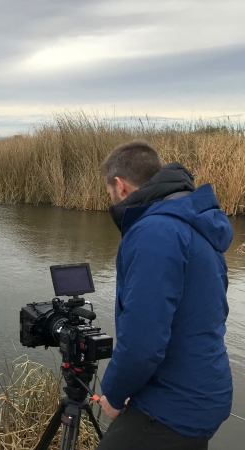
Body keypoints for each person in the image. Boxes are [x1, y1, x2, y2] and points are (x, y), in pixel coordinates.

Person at [96, 141, 233, 450]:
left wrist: (115, 394)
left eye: (109, 194)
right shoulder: (193, 222)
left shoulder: (154, 232)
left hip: (174, 405)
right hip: (204, 390)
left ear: (119, 185)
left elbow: (143, 341)